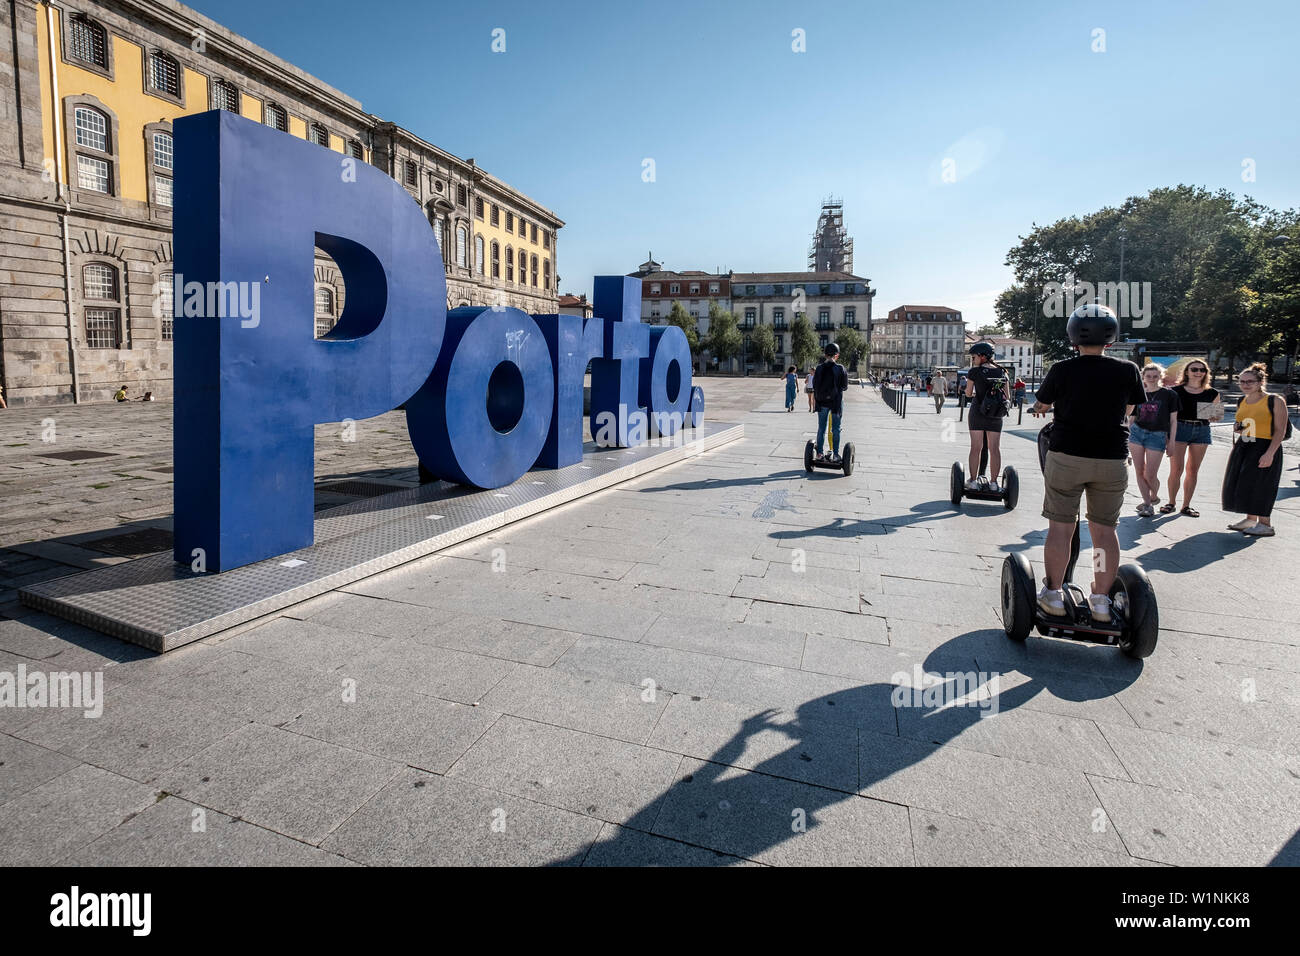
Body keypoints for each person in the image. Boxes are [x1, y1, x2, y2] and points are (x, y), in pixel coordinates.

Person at [1031, 304, 1145, 620]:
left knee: (1061, 528)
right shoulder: (1127, 370)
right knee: (1104, 532)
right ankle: (1100, 600)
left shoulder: (1062, 369)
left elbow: (1043, 401)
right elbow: (1133, 407)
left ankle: (1053, 593)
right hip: (1110, 458)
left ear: (1073, 338)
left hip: (1067, 454)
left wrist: (1042, 407)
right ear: (1110, 339)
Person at [1222, 363, 1287, 537]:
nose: (1245, 385)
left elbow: (1280, 430)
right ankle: (1250, 519)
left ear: (1260, 382)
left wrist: (1270, 453)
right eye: (1242, 381)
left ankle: (1265, 524)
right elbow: (1245, 423)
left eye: (1250, 381)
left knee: (1262, 485)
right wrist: (1238, 428)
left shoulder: (1274, 400)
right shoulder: (1241, 400)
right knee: (1244, 484)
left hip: (1265, 446)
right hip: (1245, 444)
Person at [1164, 359, 1220, 516]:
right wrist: (1167, 436)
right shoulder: (1175, 391)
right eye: (1194, 369)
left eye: (1202, 370)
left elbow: (1215, 415)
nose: (1198, 372)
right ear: (1187, 372)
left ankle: (1186, 505)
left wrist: (1215, 416)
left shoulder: (1212, 393)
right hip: (1180, 428)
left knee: (1193, 470)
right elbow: (1168, 416)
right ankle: (1171, 502)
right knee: (1176, 469)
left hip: (1201, 430)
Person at [1127, 362, 1177, 516]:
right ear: (1143, 377)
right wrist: (1127, 435)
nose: (1152, 379)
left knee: (1150, 474)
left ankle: (1153, 496)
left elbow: (1173, 420)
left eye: (1155, 376)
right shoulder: (1138, 393)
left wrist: (1172, 442)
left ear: (1160, 377)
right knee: (1139, 470)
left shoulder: (1169, 395)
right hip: (1137, 433)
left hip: (1158, 435)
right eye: (1148, 376)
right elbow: (1132, 417)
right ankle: (1148, 505)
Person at [963, 343, 1010, 491]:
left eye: (974, 357)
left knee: (976, 447)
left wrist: (978, 394)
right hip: (996, 414)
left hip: (978, 412)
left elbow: (969, 394)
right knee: (994, 448)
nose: (973, 360)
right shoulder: (1002, 372)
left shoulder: (974, 372)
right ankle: (994, 483)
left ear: (982, 356)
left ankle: (973, 481)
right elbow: (1007, 397)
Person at [812, 342, 848, 462]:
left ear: (825, 354)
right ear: (836, 355)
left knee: (821, 428)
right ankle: (836, 455)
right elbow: (844, 387)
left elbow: (815, 385)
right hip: (836, 403)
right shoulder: (840, 368)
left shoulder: (819, 368)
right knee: (836, 429)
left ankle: (820, 454)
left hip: (822, 402)